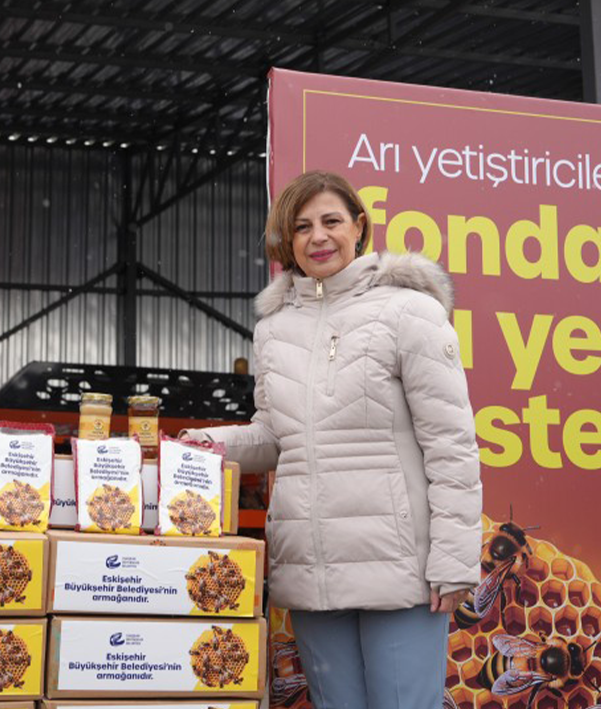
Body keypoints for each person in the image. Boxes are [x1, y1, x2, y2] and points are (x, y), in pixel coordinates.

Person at [185, 171, 481, 709]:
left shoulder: (408, 311)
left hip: (398, 567)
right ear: (287, 240)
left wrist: (455, 561)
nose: (317, 237)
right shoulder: (275, 327)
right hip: (311, 568)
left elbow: (452, 444)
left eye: (331, 222)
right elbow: (276, 436)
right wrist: (209, 444)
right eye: (302, 227)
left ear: (359, 227)